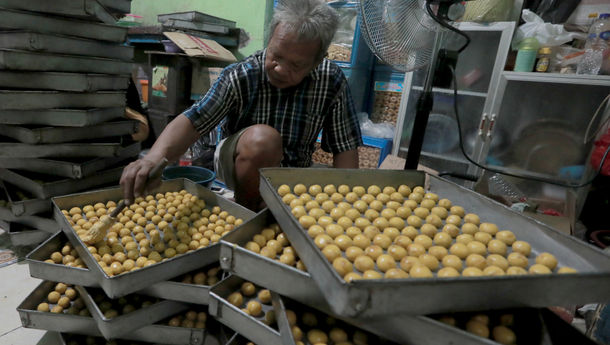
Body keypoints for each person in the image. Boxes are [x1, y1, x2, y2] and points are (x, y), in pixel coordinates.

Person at [120, 0, 362, 211]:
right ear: (270, 40)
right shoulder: (242, 74)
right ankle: (247, 211)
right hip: (239, 162)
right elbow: (194, 121)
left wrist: (346, 202)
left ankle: (273, 201)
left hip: (291, 170)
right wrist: (152, 160)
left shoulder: (331, 80)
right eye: (275, 56)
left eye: (296, 65)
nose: (279, 69)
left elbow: (345, 147)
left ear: (317, 62)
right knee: (263, 141)